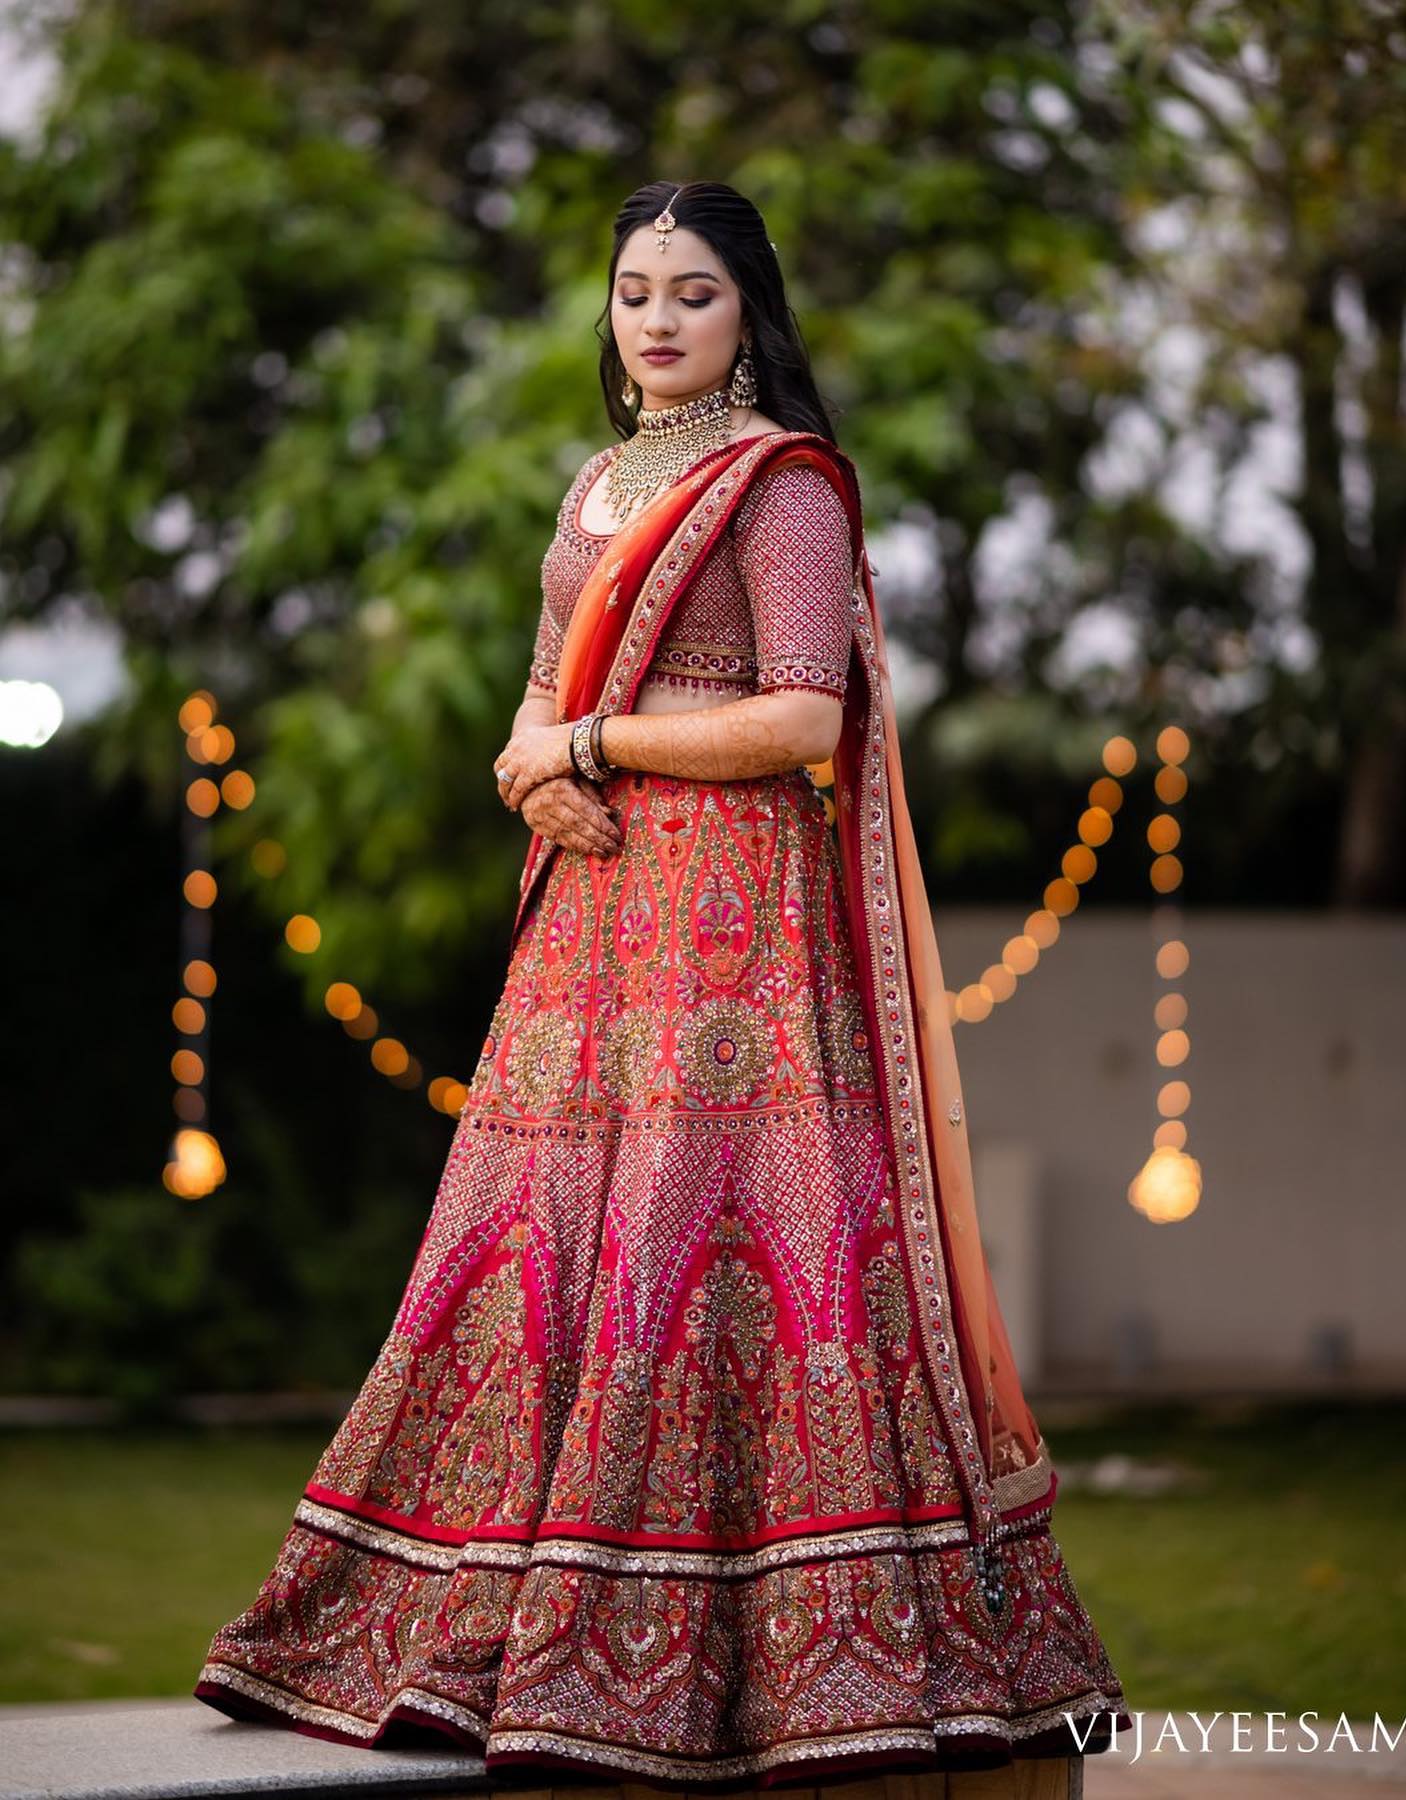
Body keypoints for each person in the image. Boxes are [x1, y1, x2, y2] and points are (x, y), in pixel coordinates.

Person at [194, 179, 1132, 1789]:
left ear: (748, 313)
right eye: (635, 290)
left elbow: (800, 723)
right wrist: (528, 763)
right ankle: (471, 1611)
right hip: (590, 925)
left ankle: (773, 1652)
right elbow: (541, 685)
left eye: (692, 292)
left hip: (734, 934)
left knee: (704, 1237)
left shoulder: (783, 492)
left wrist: (595, 745)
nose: (656, 318)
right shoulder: (598, 479)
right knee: (534, 1234)